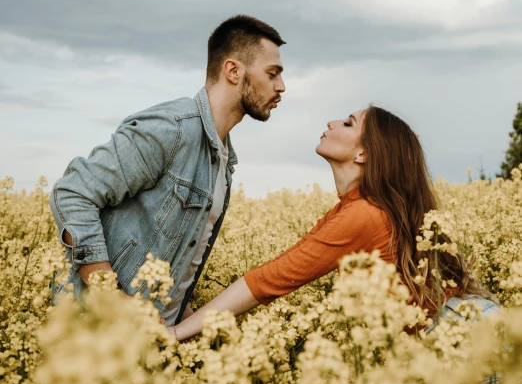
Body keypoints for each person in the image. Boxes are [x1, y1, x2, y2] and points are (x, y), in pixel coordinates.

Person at [172, 105, 493, 341]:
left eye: (348, 123)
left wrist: (179, 332)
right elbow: (281, 268)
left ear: (364, 154)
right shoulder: (355, 209)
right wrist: (195, 318)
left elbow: (270, 280)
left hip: (469, 337)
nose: (330, 122)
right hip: (460, 333)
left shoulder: (363, 216)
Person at [50, 15, 286, 325]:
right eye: (272, 74)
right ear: (233, 70)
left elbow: (177, 264)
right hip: (98, 335)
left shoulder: (223, 159)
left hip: (152, 345)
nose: (281, 86)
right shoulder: (172, 129)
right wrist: (111, 298)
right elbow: (73, 192)